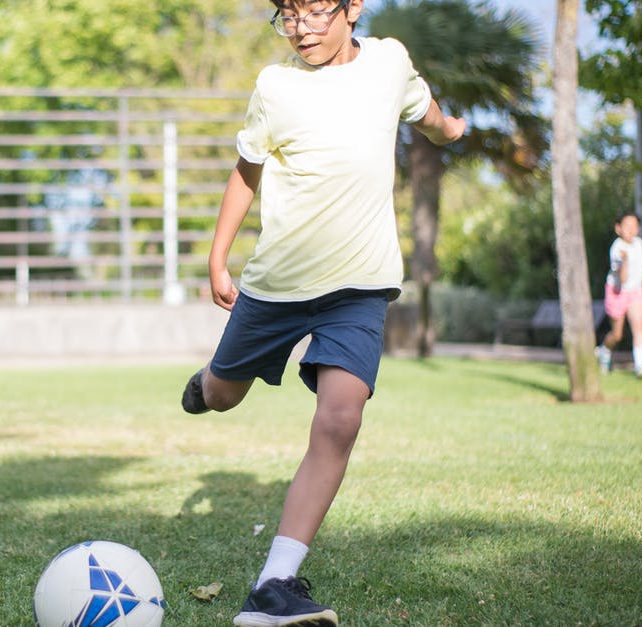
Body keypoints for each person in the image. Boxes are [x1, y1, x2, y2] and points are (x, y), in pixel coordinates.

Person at [179, 0, 465, 624]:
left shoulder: (389, 63)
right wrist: (217, 257)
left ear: (352, 8)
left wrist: (450, 130)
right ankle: (205, 383)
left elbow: (427, 112)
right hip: (278, 285)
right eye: (287, 15)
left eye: (312, 12)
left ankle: (274, 584)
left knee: (340, 419)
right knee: (225, 395)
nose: (301, 28)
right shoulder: (275, 86)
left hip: (359, 286)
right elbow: (246, 171)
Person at [596, 212, 642, 378]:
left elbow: (641, 266)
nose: (632, 230)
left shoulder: (639, 243)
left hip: (635, 291)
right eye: (627, 226)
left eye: (635, 226)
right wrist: (625, 260)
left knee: (638, 327)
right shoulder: (617, 249)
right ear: (618, 228)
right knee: (617, 334)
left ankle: (640, 366)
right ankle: (604, 351)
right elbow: (623, 279)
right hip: (617, 292)